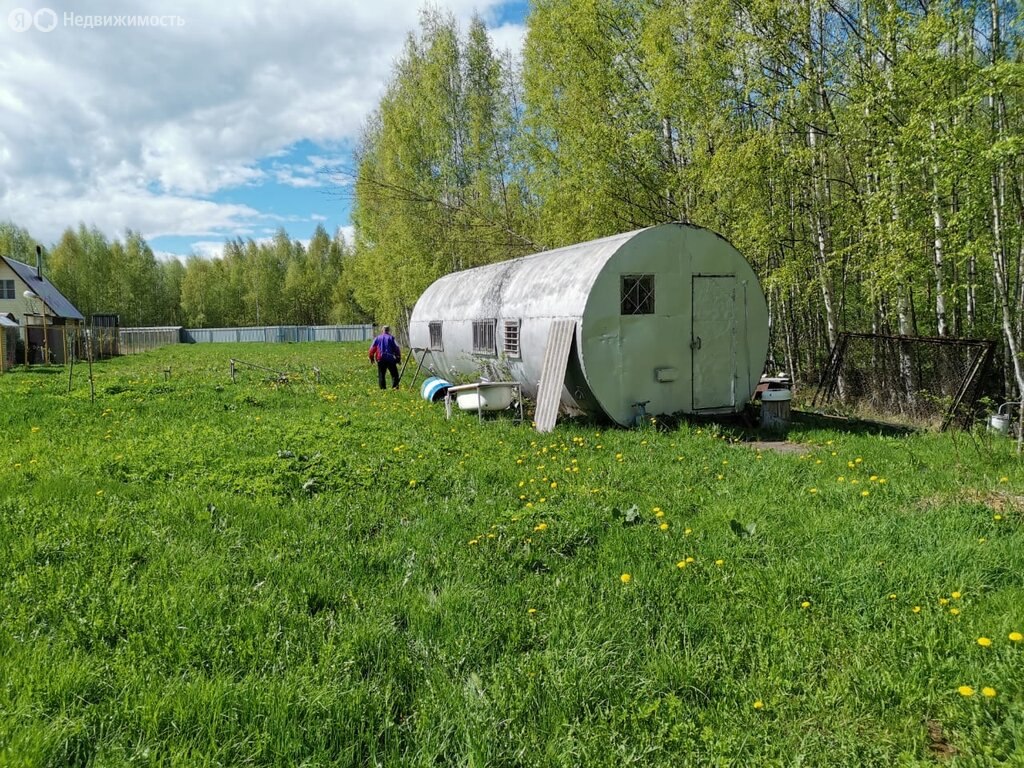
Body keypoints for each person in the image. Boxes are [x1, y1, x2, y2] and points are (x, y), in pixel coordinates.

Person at [369, 325, 401, 390]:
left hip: (380, 359)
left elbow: (372, 349)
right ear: (389, 330)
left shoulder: (377, 338)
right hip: (390, 359)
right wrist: (398, 358)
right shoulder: (392, 338)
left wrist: (371, 358)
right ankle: (395, 388)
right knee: (394, 374)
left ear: (382, 330)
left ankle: (383, 389)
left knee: (381, 375)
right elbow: (396, 348)